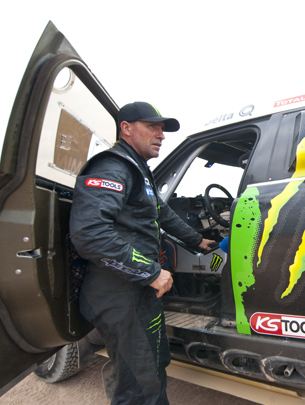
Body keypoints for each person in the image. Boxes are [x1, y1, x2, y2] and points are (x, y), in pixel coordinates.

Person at [70, 102, 214, 404]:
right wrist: (150, 272)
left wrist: (198, 242)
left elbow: (162, 213)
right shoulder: (112, 166)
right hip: (118, 292)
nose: (161, 134)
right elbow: (90, 233)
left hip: (137, 291)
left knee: (153, 366)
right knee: (139, 387)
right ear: (126, 128)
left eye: (162, 129)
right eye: (153, 126)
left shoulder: (138, 170)